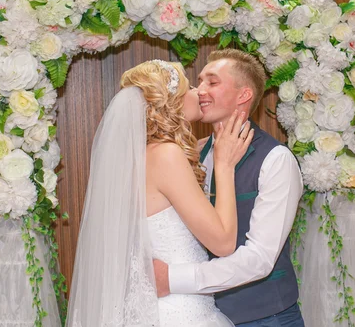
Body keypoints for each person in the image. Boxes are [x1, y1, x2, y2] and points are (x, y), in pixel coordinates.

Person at [66, 59, 254, 327]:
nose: (198, 93)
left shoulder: (136, 159)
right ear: (171, 102)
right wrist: (224, 165)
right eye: (189, 88)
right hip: (179, 313)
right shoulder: (167, 156)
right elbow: (223, 243)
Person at [154, 49, 305, 326]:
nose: (200, 90)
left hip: (265, 317)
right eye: (199, 82)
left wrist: (171, 278)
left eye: (212, 82)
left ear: (243, 95)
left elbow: (259, 258)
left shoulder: (275, 160)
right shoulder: (191, 156)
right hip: (200, 313)